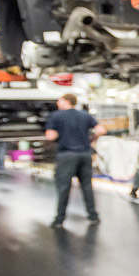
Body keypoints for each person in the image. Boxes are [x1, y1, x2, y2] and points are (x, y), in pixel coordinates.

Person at [45, 94, 107, 229]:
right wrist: (91, 139)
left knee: (64, 187)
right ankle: (93, 216)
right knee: (87, 186)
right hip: (84, 154)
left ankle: (59, 219)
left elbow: (50, 136)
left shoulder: (57, 116)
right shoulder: (85, 115)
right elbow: (102, 130)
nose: (57, 102)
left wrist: (59, 136)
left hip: (66, 155)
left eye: (59, 100)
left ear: (67, 101)